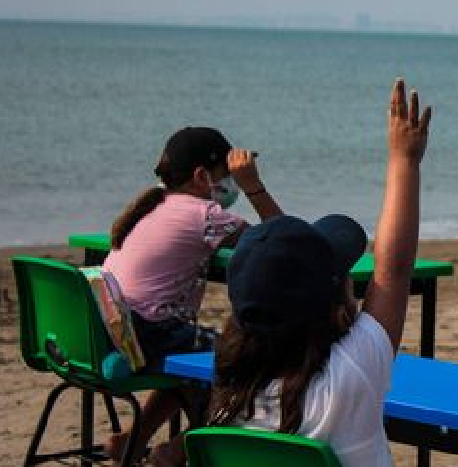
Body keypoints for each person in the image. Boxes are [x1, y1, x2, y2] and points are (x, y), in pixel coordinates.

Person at [207, 78, 431, 467]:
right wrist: (404, 160)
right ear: (334, 299)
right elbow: (393, 270)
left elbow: (386, 271)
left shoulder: (231, 389)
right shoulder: (351, 374)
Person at [102, 126, 283, 464]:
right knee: (251, 362)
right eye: (227, 175)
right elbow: (282, 239)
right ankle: (178, 450)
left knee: (191, 363)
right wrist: (253, 186)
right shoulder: (204, 216)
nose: (231, 184)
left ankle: (132, 440)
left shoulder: (150, 206)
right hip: (152, 333)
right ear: (201, 176)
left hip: (118, 331)